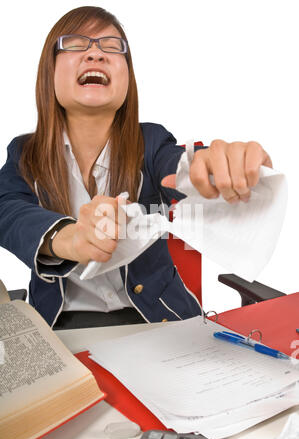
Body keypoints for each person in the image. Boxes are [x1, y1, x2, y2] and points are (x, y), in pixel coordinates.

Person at [0, 6, 272, 329]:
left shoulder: (152, 141)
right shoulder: (25, 153)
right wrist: (71, 239)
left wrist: (211, 167)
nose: (95, 55)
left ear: (127, 77)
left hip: (157, 322)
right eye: (76, 44)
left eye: (110, 46)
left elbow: (180, 166)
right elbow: (8, 210)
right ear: (50, 72)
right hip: (63, 327)